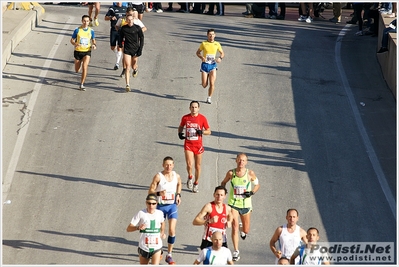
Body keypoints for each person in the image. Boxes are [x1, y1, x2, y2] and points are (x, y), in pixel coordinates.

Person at [220, 153, 260, 262]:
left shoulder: (250, 173)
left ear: (246, 162)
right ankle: (236, 251)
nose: (241, 162)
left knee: (246, 230)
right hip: (233, 203)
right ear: (236, 160)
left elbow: (257, 185)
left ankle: (243, 229)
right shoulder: (231, 173)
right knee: (234, 226)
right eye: (239, 160)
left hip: (246, 205)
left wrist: (251, 192)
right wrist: (223, 192)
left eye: (243, 160)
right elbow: (223, 182)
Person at [148, 156, 182, 265]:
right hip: (160, 207)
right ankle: (159, 249)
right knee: (159, 231)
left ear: (173, 165)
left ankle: (169, 254)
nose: (169, 167)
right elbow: (150, 191)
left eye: (171, 164)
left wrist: (178, 195)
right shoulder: (159, 177)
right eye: (166, 165)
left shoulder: (176, 176)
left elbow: (179, 184)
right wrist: (158, 193)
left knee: (172, 230)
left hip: (171, 206)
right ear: (163, 165)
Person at [178, 101, 211, 193]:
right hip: (188, 144)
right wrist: (180, 133)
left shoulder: (202, 118)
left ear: (198, 108)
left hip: (198, 146)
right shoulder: (185, 118)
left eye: (196, 107)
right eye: (192, 107)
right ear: (189, 108)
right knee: (189, 164)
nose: (194, 109)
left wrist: (202, 132)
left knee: (198, 166)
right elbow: (180, 126)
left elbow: (209, 131)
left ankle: (196, 183)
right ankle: (190, 177)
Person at [126, 194, 166, 265]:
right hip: (144, 247)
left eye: (153, 204)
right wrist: (137, 227)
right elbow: (128, 228)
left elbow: (162, 223)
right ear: (146, 203)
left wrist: (162, 232)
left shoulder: (160, 213)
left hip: (157, 247)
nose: (151, 206)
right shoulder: (141, 213)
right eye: (149, 203)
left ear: (156, 203)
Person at [116, 8, 147, 78]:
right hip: (125, 40)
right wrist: (120, 32)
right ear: (126, 13)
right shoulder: (122, 19)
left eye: (132, 14)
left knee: (133, 63)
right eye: (129, 14)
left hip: (134, 42)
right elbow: (117, 26)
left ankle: (134, 68)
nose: (131, 15)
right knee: (125, 55)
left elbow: (144, 28)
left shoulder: (136, 21)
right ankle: (125, 69)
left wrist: (137, 33)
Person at [196, 29, 224, 104]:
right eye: (210, 34)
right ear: (207, 35)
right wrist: (202, 57)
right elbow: (198, 52)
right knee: (204, 85)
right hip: (205, 65)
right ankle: (206, 78)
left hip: (213, 65)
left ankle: (209, 98)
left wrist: (220, 58)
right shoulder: (204, 43)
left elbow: (222, 53)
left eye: (212, 34)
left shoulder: (217, 44)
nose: (211, 36)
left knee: (212, 83)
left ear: (215, 35)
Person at [118, 13, 144, 92]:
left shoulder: (137, 28)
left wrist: (140, 49)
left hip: (135, 49)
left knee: (133, 66)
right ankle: (127, 84)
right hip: (127, 49)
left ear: (133, 20)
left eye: (131, 20)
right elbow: (120, 37)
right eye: (128, 20)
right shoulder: (123, 28)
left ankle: (135, 69)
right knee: (128, 67)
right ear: (126, 20)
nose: (130, 21)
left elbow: (142, 38)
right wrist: (120, 44)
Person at [70, 14, 97, 91]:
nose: (85, 22)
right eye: (84, 21)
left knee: (85, 67)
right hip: (78, 51)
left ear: (89, 22)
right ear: (82, 21)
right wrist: (75, 44)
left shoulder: (91, 31)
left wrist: (94, 45)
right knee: (77, 70)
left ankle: (82, 84)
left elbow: (93, 40)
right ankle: (79, 63)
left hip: (87, 51)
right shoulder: (77, 30)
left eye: (87, 21)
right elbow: (72, 40)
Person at [105, 2, 127, 70]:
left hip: (122, 31)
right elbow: (106, 18)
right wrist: (111, 17)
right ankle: (118, 54)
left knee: (120, 46)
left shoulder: (125, 9)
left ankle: (117, 63)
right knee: (112, 47)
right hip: (114, 29)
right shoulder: (112, 8)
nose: (118, 2)